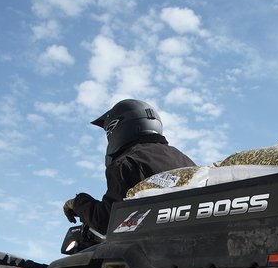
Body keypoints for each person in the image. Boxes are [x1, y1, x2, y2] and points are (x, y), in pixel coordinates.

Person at [63, 99, 194, 235]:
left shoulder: (127, 163)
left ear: (116, 129)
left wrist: (77, 203)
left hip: (153, 244)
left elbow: (107, 221)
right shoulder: (184, 159)